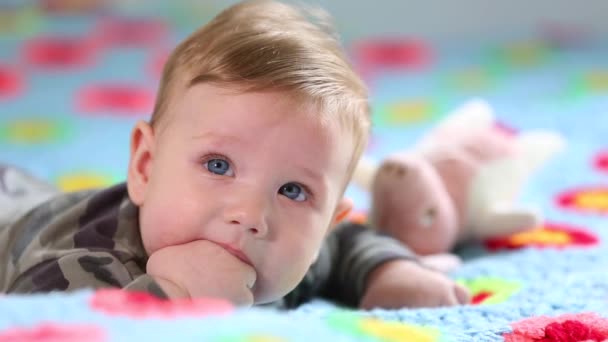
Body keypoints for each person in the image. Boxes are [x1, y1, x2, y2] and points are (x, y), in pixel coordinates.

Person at [0, 0, 469, 309]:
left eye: (292, 190)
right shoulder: (80, 263)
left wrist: (389, 272)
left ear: (327, 219)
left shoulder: (286, 253)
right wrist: (173, 296)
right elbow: (45, 323)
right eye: (218, 165)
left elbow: (346, 247)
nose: (250, 215)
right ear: (145, 166)